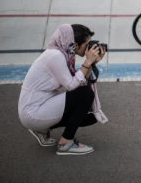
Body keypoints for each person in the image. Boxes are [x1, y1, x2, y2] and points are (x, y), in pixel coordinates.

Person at [18, 24, 108, 155]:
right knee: (86, 94)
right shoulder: (55, 56)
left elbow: (81, 82)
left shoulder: (64, 55)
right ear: (75, 45)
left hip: (40, 106)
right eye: (88, 44)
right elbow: (72, 86)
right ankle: (66, 143)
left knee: (92, 116)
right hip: (33, 111)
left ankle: (43, 128)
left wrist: (92, 63)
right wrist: (87, 62)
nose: (90, 48)